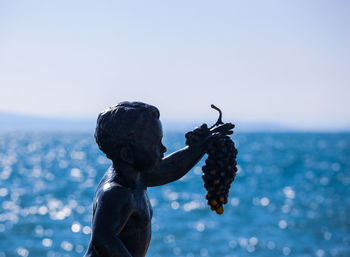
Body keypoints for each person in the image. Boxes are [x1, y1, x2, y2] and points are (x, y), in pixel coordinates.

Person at [84, 101, 233, 257]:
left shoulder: (136, 176)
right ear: (127, 154)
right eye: (155, 144)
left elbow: (171, 168)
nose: (164, 149)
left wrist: (202, 145)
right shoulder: (117, 192)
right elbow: (103, 238)